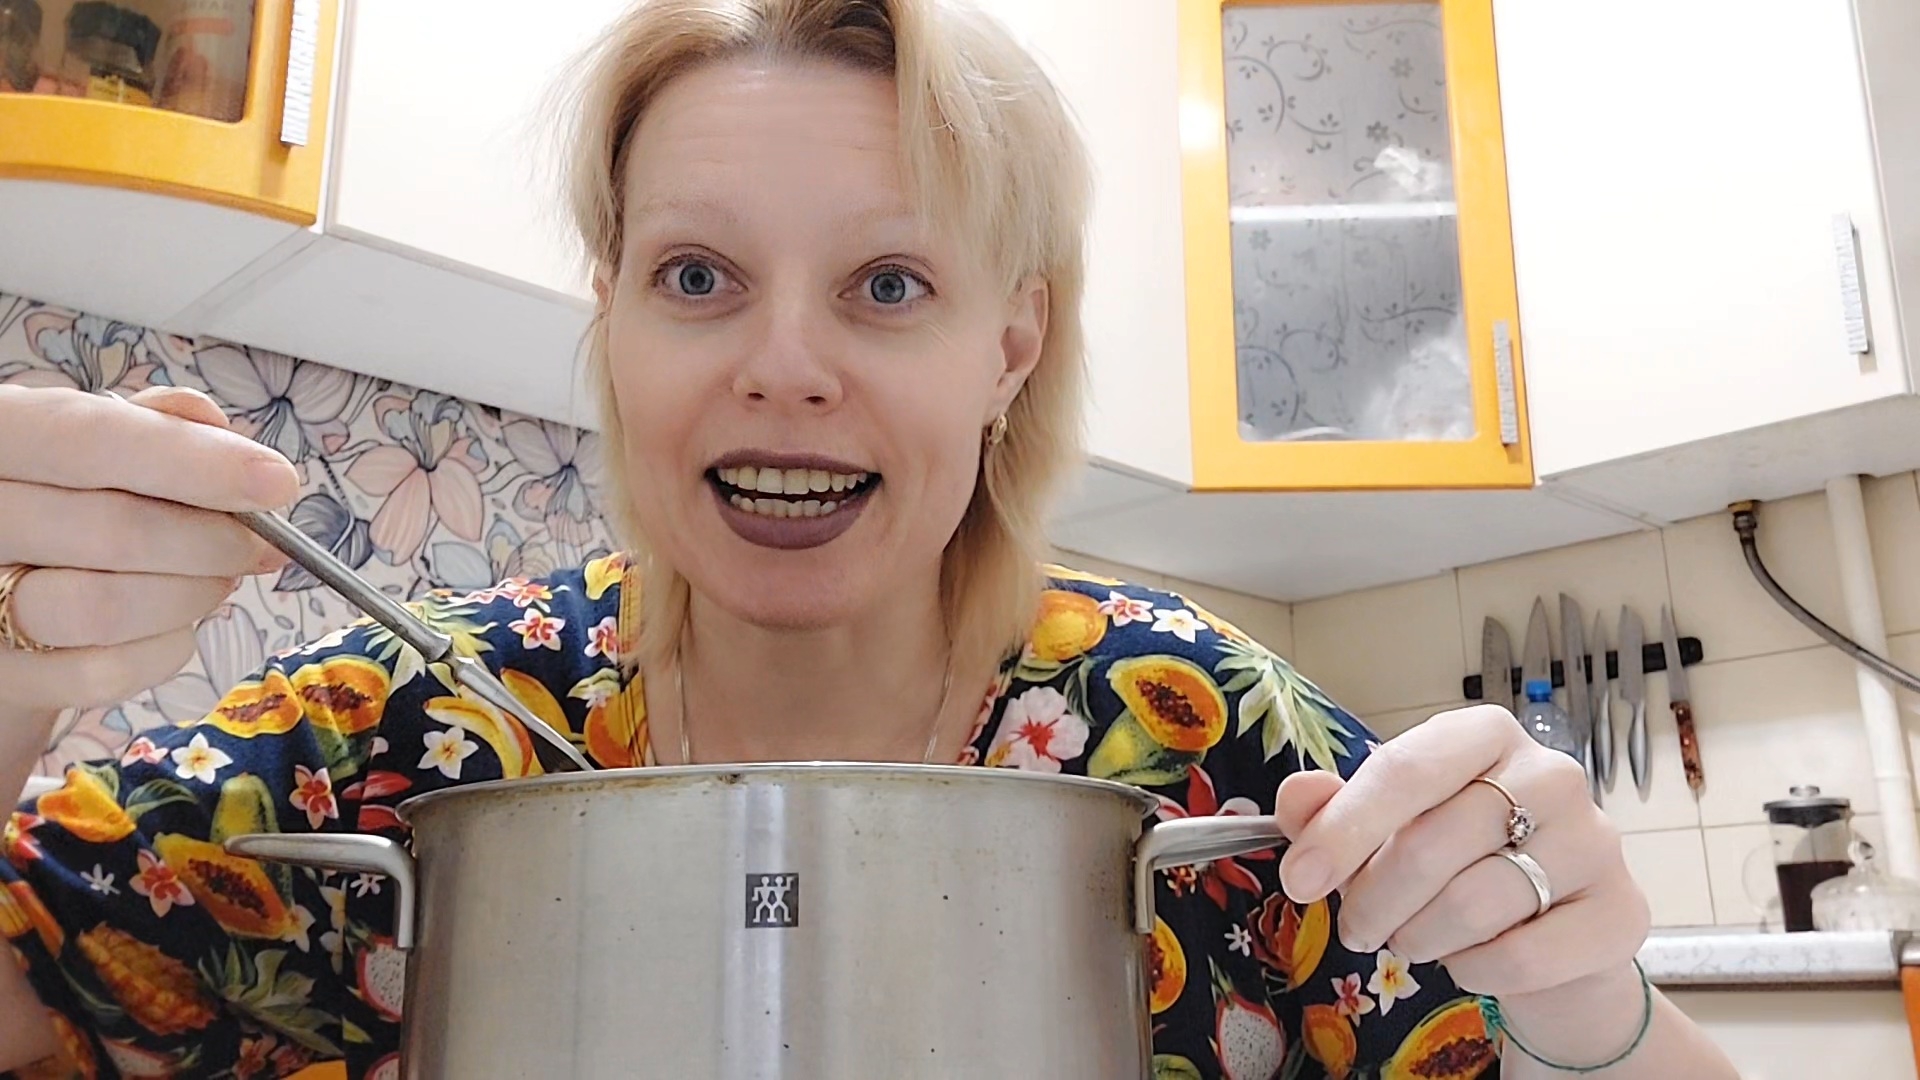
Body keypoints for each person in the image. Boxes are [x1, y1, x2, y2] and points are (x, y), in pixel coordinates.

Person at [0, 0, 1741, 1076]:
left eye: (889, 284)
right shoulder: (421, 725)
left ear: (1011, 347)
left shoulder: (1210, 741)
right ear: (613, 316)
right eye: (697, 275)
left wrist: (1589, 1008)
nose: (783, 366)